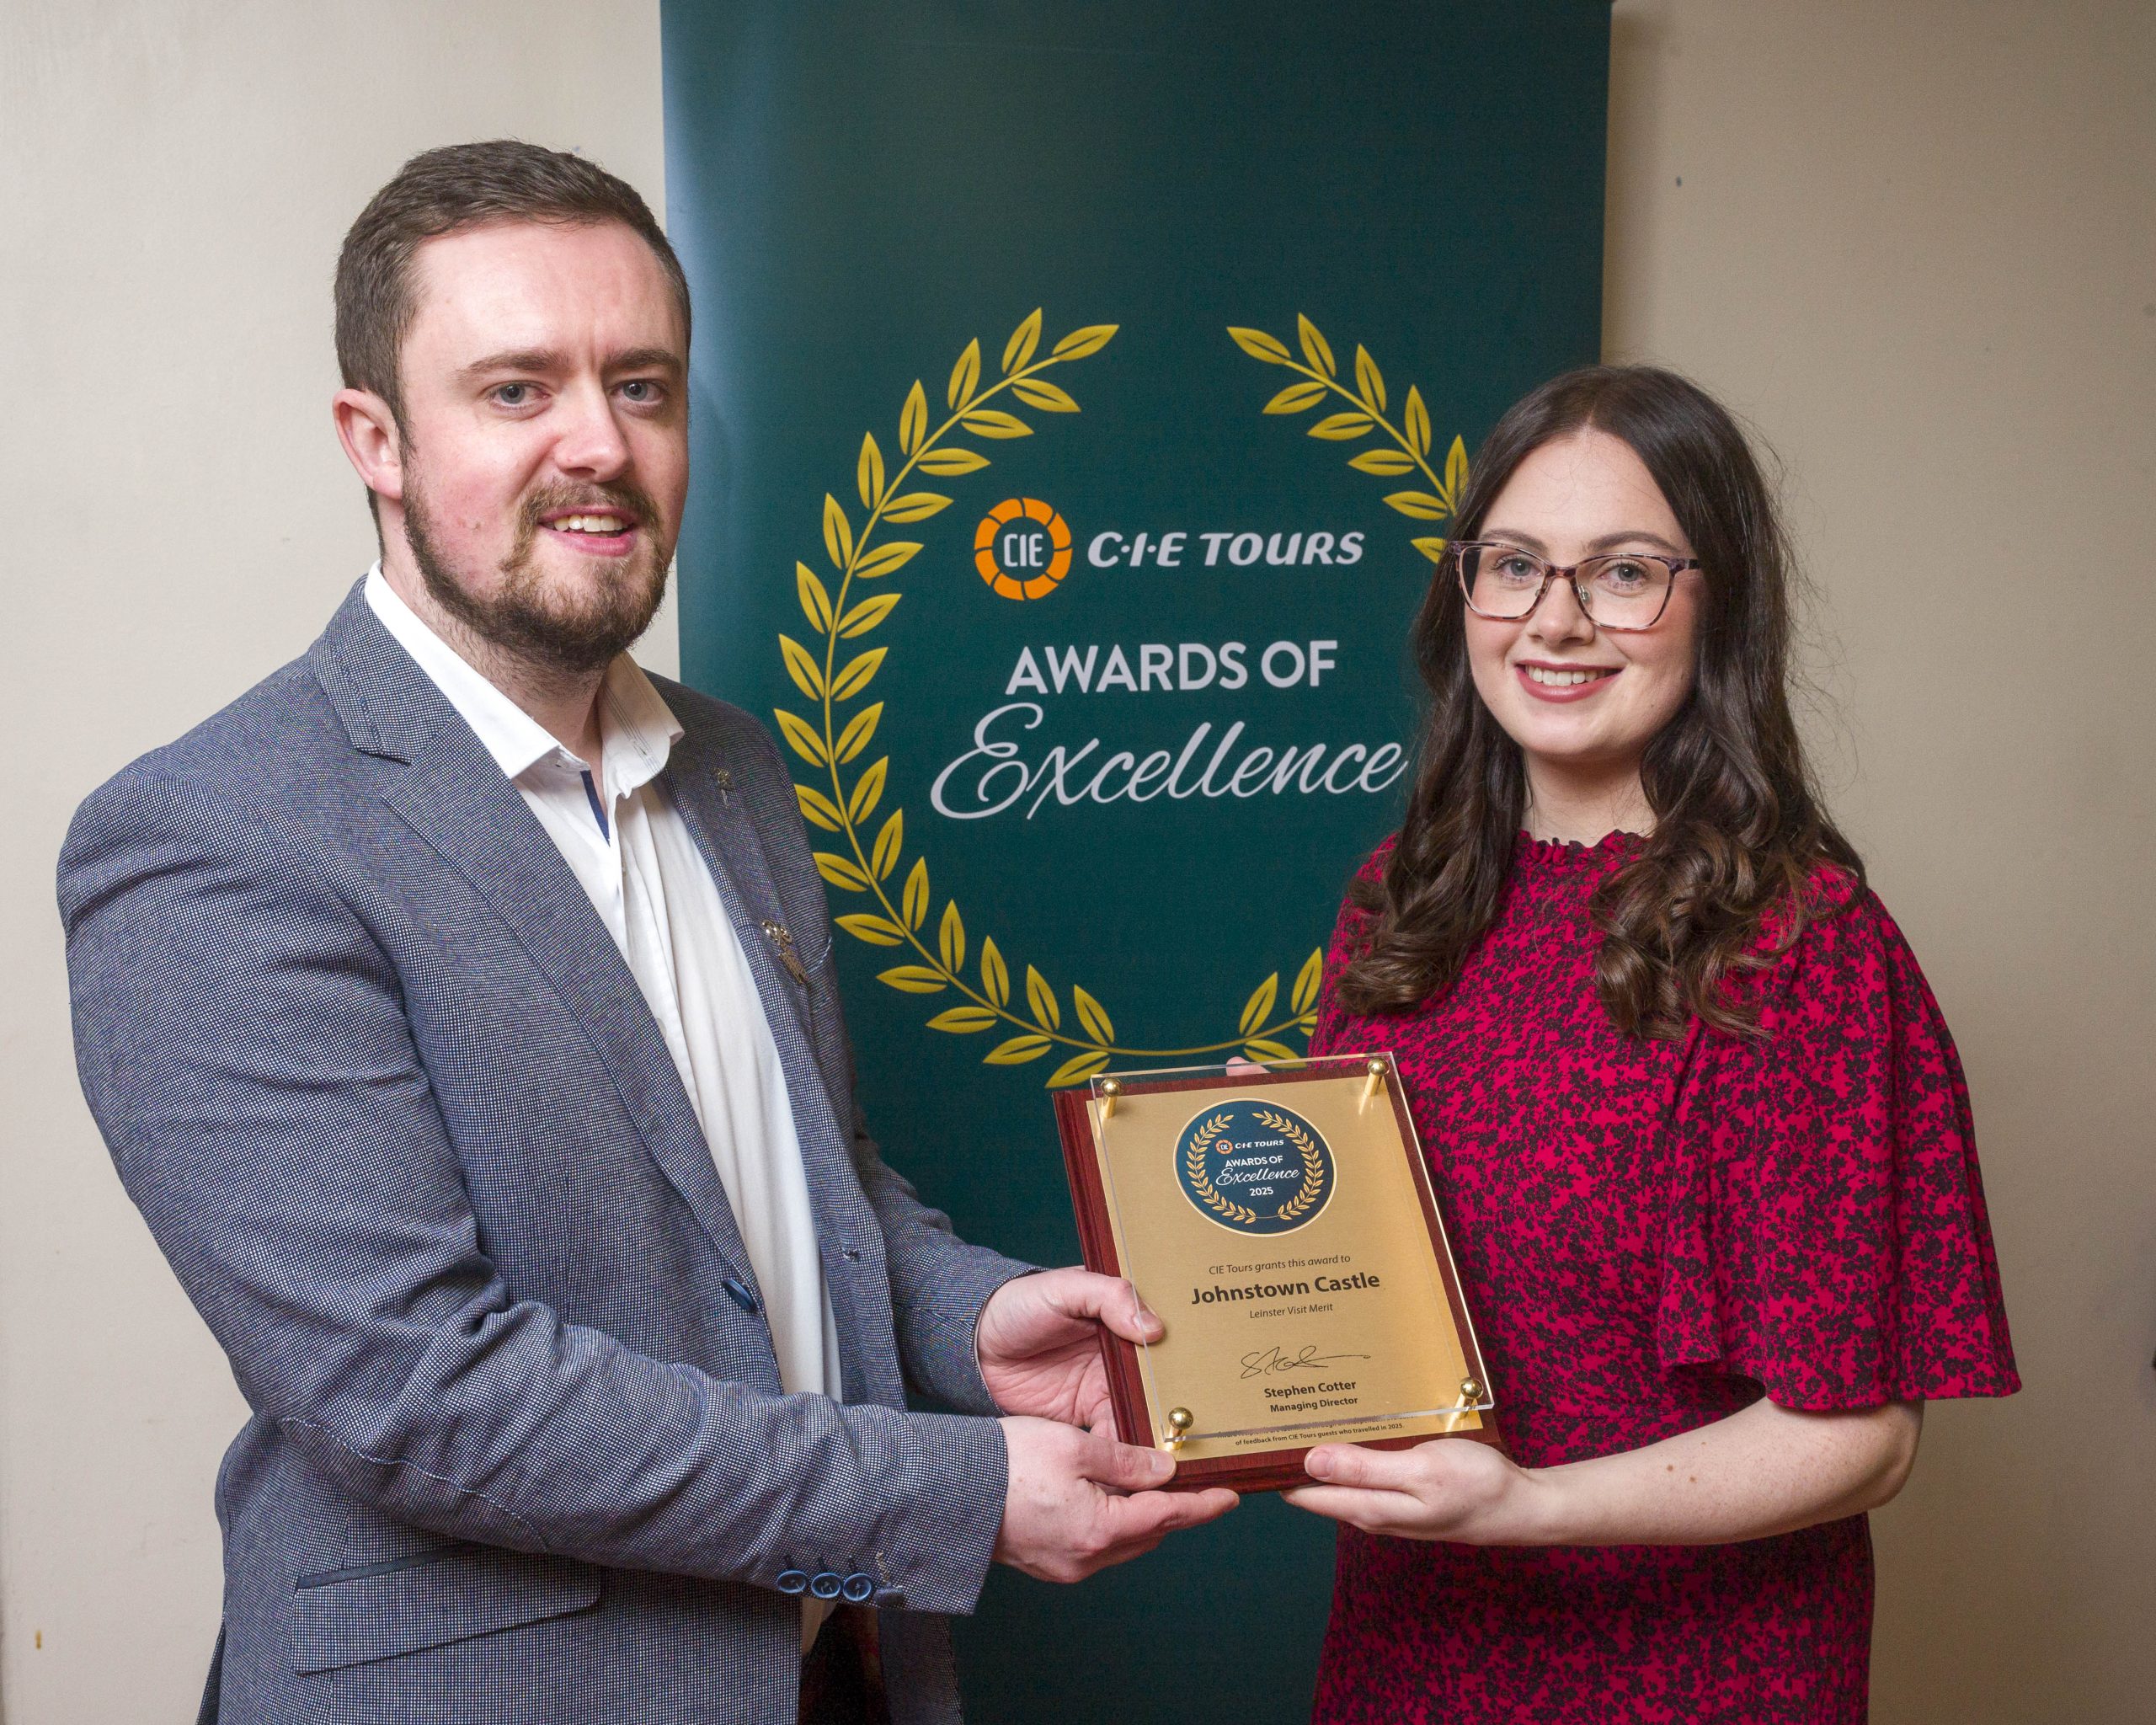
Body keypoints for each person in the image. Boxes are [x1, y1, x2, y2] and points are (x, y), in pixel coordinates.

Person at [57, 141, 1233, 1725]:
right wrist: (948, 1491)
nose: (598, 445)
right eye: (519, 390)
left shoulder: (736, 763)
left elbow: (799, 1184)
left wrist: (967, 1321)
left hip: (831, 1675)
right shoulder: (215, 836)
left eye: (646, 387)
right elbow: (420, 1393)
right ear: (374, 440)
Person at [1283, 366, 2016, 1722]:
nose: (1555, 621)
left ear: (1716, 600)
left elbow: (1860, 1437)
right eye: (1514, 565)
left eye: (1623, 572)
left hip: (1688, 1670)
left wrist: (1531, 1507)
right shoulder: (1400, 899)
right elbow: (1359, 1306)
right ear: (1465, 594)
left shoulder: (1803, 946)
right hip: (1410, 1644)